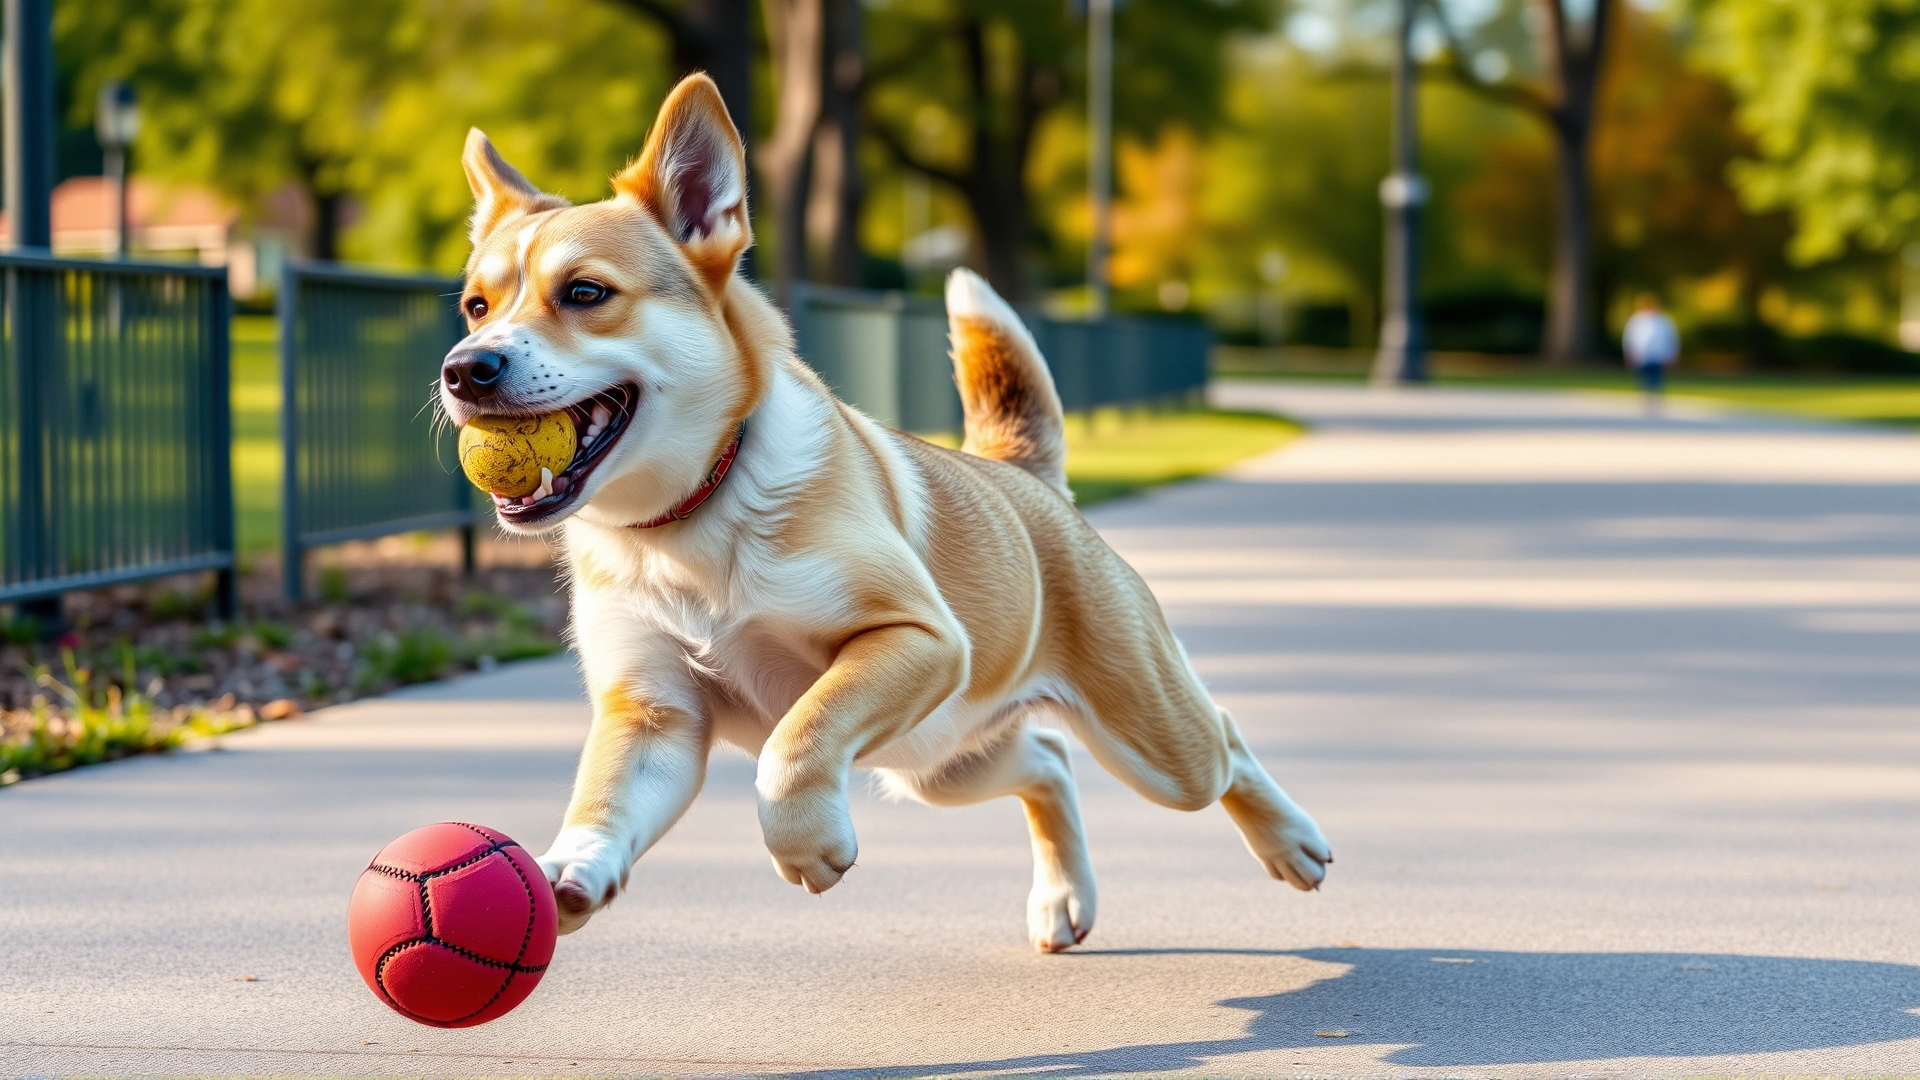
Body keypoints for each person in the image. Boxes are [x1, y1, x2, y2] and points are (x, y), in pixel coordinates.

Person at [1622, 293, 1679, 411]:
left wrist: (1671, 354)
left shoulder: (1664, 321)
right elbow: (1629, 337)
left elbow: (1672, 339)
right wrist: (1629, 352)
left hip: (1659, 355)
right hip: (1642, 355)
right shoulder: (1637, 320)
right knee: (1644, 377)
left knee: (1657, 377)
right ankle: (1646, 398)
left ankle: (1656, 399)